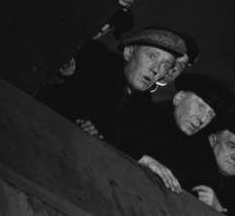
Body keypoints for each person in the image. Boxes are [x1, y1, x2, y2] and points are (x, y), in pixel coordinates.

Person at [37, 27, 187, 143]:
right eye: (151, 56)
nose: (155, 69)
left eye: (165, 65)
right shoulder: (96, 61)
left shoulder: (143, 107)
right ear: (129, 52)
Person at [123, 73, 233, 192]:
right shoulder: (141, 113)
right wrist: (142, 158)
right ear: (179, 98)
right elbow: (111, 133)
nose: (202, 119)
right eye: (200, 107)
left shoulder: (198, 151)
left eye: (210, 115)